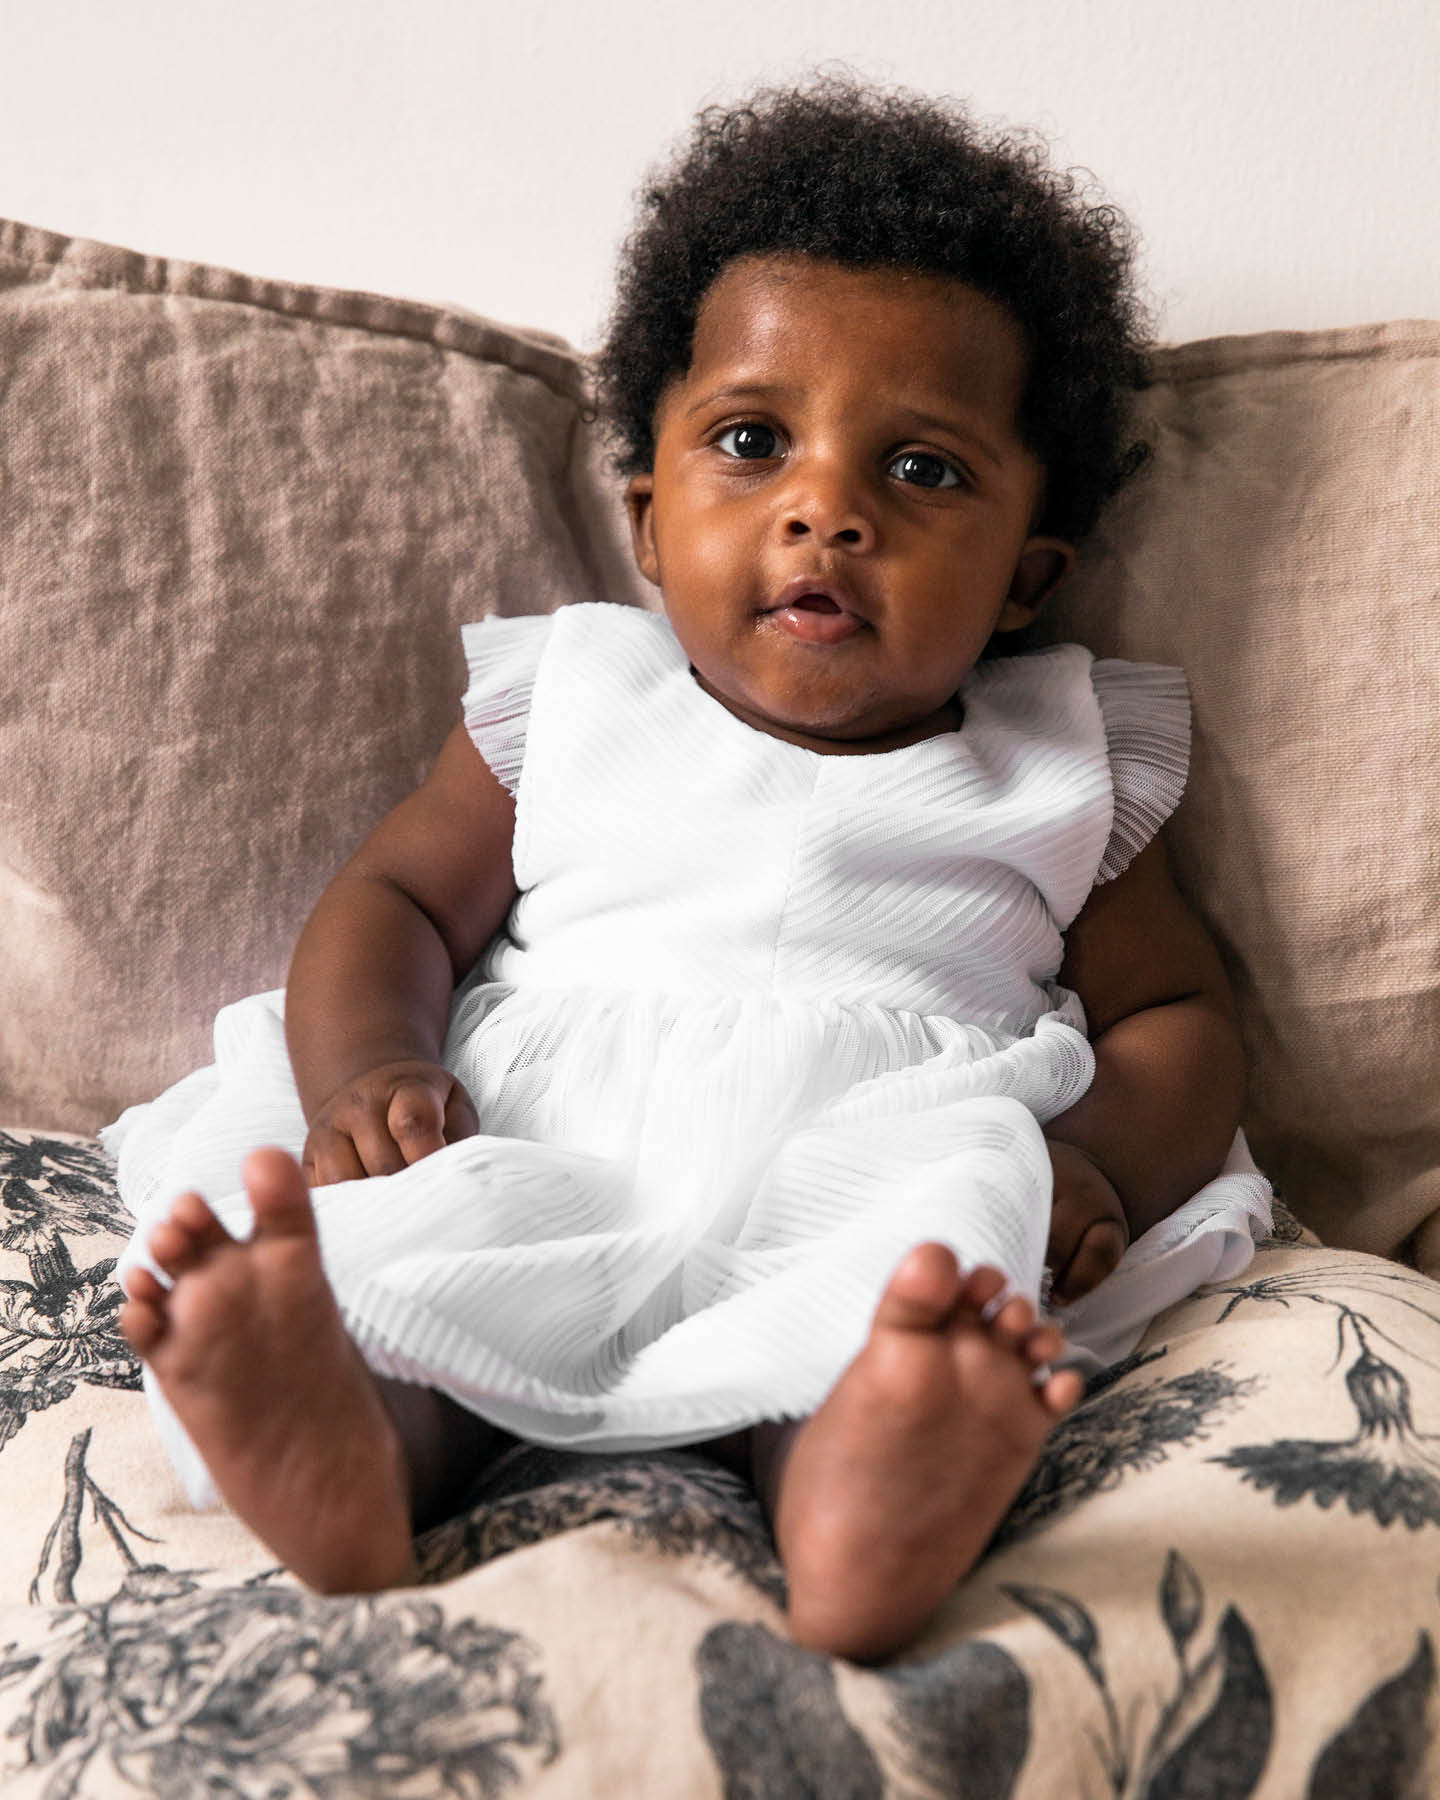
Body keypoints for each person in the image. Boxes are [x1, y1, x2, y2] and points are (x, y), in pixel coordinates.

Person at [107, 78, 1272, 1664]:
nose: (825, 509)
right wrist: (369, 1064)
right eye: (752, 441)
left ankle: (866, 1494)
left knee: (909, 1304)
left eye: (922, 472)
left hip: (872, 1165)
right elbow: (387, 904)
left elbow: (1182, 1012)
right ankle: (347, 1444)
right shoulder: (575, 697)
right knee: (418, 1276)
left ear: (1029, 578)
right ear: (649, 521)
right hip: (545, 1145)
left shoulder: (1061, 755)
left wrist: (1104, 1158)